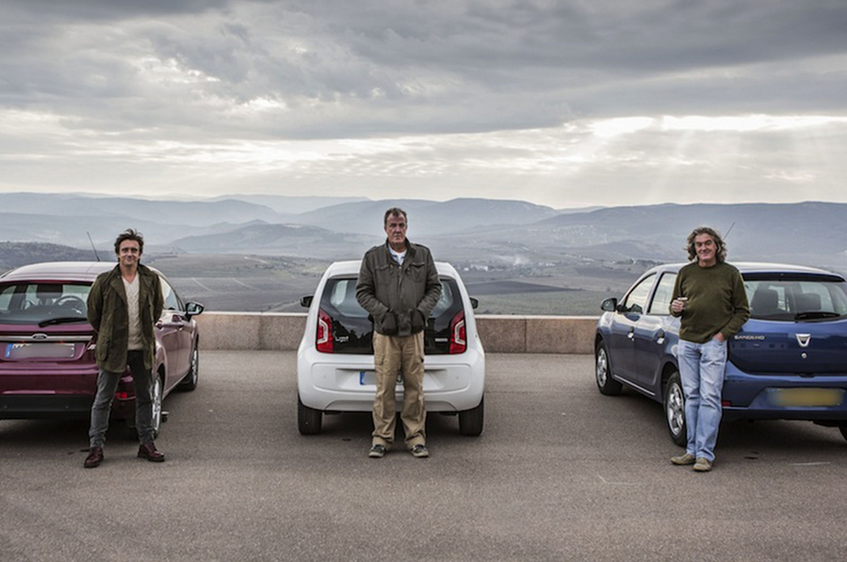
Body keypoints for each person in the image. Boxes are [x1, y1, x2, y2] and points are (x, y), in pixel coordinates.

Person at [356, 208, 442, 459]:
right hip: (385, 335)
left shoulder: (422, 255)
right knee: (384, 389)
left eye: (401, 225)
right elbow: (362, 292)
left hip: (413, 335)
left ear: (407, 227)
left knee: (415, 388)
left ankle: (416, 438)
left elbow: (434, 288)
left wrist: (421, 313)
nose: (397, 229)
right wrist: (383, 314)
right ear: (385, 228)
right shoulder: (373, 258)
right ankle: (381, 439)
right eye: (392, 225)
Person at [669, 226, 749, 472]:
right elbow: (674, 307)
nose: (703, 248)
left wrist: (721, 336)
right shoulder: (685, 273)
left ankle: (705, 454)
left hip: (713, 345)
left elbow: (743, 311)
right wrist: (675, 308)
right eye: (698, 245)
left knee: (710, 397)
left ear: (717, 247)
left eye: (708, 244)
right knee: (691, 396)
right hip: (687, 342)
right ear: (693, 248)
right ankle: (691, 450)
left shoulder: (730, 274)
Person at [84, 229, 165, 468]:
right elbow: (93, 314)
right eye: (125, 250)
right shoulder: (105, 281)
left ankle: (146, 444)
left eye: (134, 250)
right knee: (103, 400)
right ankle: (96, 447)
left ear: (139, 254)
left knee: (145, 398)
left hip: (142, 349)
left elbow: (156, 310)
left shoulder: (150, 279)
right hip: (113, 350)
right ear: (117, 254)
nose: (129, 254)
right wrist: (109, 333)